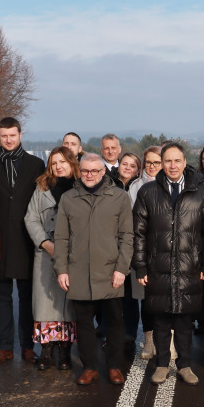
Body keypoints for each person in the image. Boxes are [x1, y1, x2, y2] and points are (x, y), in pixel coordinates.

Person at [133, 143, 204, 386]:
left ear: (184, 162)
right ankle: (161, 365)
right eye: (167, 161)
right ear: (162, 163)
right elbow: (138, 233)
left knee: (184, 322)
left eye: (177, 161)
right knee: (160, 320)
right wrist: (140, 266)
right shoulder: (148, 192)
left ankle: (184, 366)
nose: (172, 166)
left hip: (188, 268)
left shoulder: (201, 192)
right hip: (157, 267)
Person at [55, 154, 134, 386]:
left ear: (103, 172)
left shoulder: (119, 197)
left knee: (115, 323)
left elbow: (127, 236)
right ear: (79, 171)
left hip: (111, 272)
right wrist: (62, 269)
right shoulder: (69, 198)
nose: (89, 175)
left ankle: (114, 366)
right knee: (84, 323)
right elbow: (60, 237)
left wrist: (122, 268)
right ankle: (90, 366)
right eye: (85, 170)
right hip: (78, 272)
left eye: (94, 171)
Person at [0, 117, 45, 365]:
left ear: (20, 134)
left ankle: (28, 346)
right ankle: (5, 347)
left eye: (12, 135)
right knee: (3, 296)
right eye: (4, 135)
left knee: (27, 296)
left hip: (27, 241)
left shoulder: (36, 164)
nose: (8, 139)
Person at [24, 147, 78, 371]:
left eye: (62, 162)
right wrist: (46, 243)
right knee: (45, 302)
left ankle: (65, 351)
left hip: (73, 253)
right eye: (54, 163)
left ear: (71, 162)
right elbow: (31, 218)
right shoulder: (41, 188)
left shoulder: (80, 186)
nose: (58, 166)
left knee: (69, 303)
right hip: (46, 253)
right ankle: (46, 351)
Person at [130, 146, 167, 360]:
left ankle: (167, 342)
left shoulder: (169, 186)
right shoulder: (136, 186)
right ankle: (149, 340)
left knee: (167, 298)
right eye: (149, 162)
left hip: (164, 251)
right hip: (143, 249)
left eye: (157, 162)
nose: (152, 166)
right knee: (146, 300)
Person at [115, 151, 144, 352]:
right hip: (112, 244)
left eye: (132, 165)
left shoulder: (140, 187)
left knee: (131, 294)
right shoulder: (110, 184)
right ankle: (113, 331)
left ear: (138, 169)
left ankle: (130, 333)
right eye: (124, 163)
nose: (127, 168)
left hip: (133, 244)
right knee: (114, 293)